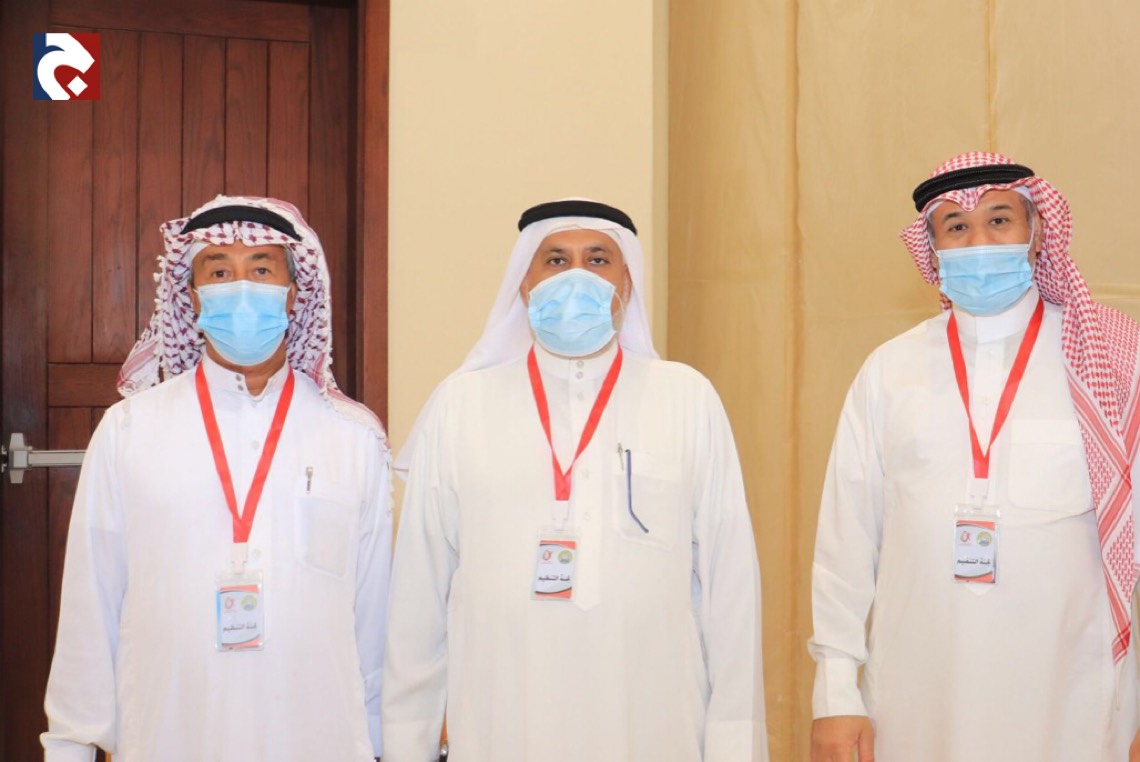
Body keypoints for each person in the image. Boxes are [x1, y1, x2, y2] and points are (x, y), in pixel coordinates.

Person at [382, 199, 768, 761]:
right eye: (556, 260)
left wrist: (735, 747)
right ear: (524, 285)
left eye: (598, 260)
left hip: (653, 722)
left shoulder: (686, 397)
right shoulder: (461, 404)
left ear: (626, 285)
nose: (576, 276)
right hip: (501, 720)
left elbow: (730, 589)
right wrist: (406, 746)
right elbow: (418, 598)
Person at [809, 152, 1140, 761]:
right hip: (916, 697)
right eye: (957, 227)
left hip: (1069, 700)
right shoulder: (890, 370)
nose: (979, 241)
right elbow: (845, 543)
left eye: (999, 220)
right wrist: (835, 693)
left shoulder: (1114, 360)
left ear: (1037, 233)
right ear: (932, 249)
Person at [41, 196, 392, 761]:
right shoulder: (129, 430)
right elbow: (91, 603)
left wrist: (384, 745)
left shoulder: (353, 438)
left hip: (317, 736)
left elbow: (375, 619)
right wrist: (71, 746)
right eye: (220, 271)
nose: (242, 287)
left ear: (294, 294)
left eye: (261, 269)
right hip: (170, 733)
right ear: (193, 296)